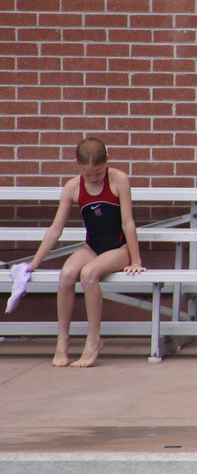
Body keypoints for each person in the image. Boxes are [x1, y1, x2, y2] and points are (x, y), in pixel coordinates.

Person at [26, 137, 144, 368]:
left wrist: (136, 259)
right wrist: (34, 263)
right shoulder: (72, 187)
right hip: (92, 246)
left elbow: (128, 222)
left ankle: (93, 340)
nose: (94, 178)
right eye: (88, 174)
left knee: (88, 274)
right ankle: (62, 340)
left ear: (107, 162)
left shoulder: (119, 180)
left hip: (119, 249)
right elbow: (55, 229)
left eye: (98, 173)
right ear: (77, 165)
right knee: (67, 274)